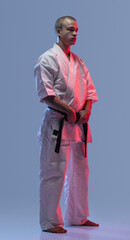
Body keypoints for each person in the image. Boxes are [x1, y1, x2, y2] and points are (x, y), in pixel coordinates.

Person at [35, 16, 100, 234]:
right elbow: (46, 95)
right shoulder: (47, 59)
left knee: (81, 171)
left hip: (78, 123)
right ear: (58, 30)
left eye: (77, 31)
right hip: (59, 122)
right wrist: (69, 111)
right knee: (54, 171)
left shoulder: (79, 62)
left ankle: (78, 216)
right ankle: (50, 221)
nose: (75, 34)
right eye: (70, 30)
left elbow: (90, 90)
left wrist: (86, 110)